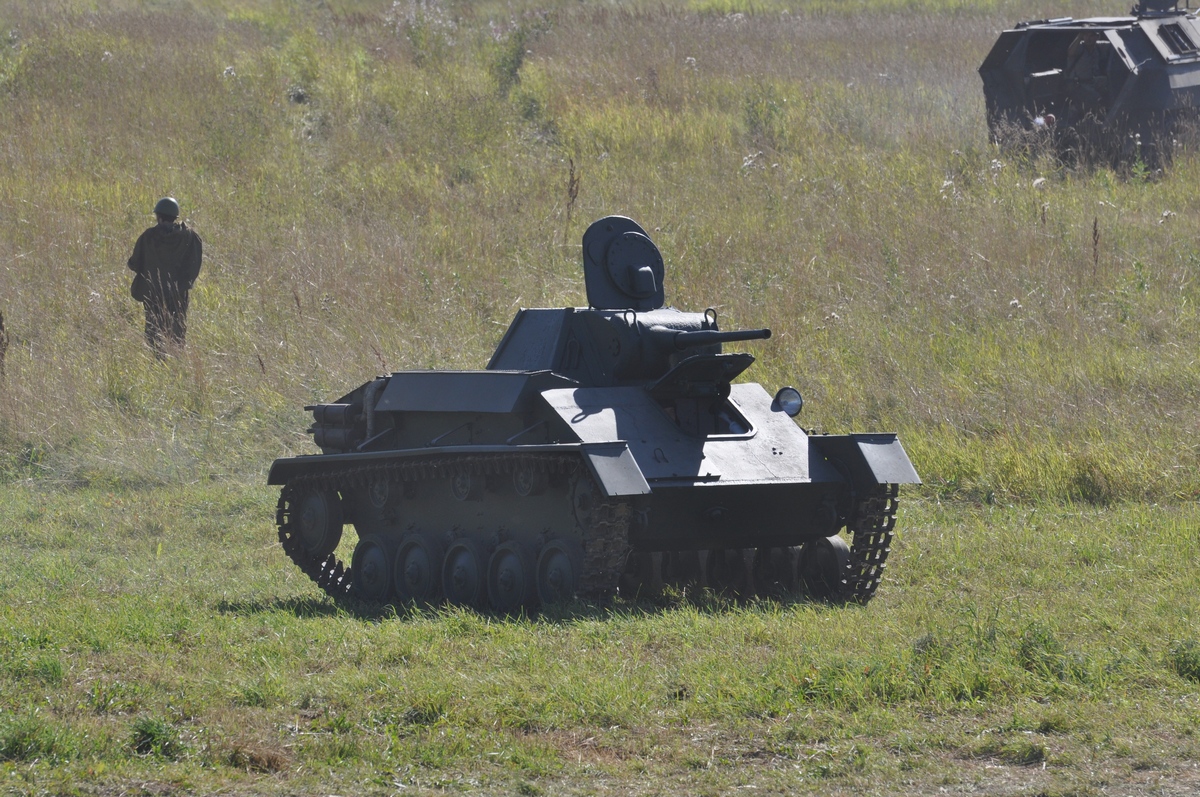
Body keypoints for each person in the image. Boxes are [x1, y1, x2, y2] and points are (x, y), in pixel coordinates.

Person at [127, 197, 203, 358]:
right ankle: (176, 362)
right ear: (175, 217)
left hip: (153, 293)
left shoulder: (148, 237)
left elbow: (134, 264)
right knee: (177, 331)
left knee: (154, 331)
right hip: (178, 294)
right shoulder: (189, 236)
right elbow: (194, 265)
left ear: (159, 217)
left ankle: (159, 362)